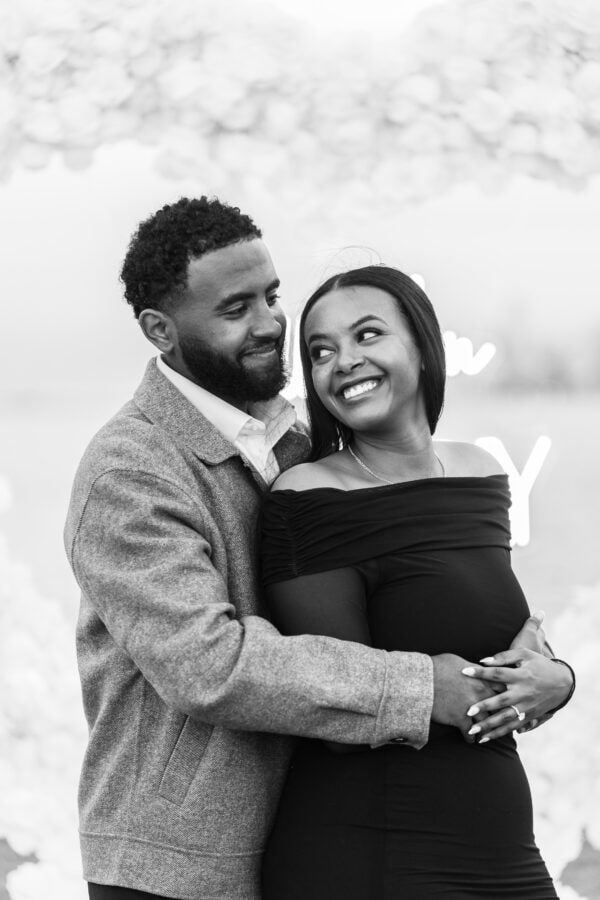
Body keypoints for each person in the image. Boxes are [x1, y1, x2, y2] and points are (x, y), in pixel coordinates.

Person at [63, 198, 571, 900]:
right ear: (160, 330)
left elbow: (425, 592)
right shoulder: (131, 471)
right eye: (236, 308)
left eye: (272, 295)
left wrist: (547, 670)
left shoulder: (293, 440)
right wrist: (424, 690)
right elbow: (209, 665)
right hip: (176, 866)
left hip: (302, 827)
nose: (273, 323)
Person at [260, 265, 574, 899]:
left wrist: (558, 679)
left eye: (367, 335)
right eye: (321, 351)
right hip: (379, 853)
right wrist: (502, 685)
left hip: (498, 847)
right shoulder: (308, 498)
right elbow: (337, 697)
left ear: (423, 346)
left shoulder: (478, 472)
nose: (343, 361)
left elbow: (503, 640)